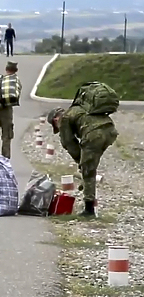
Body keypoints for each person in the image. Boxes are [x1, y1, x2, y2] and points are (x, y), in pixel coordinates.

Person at [47, 84, 119, 218]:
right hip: (110, 131)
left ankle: (89, 210)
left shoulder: (65, 118)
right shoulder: (81, 108)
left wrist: (80, 162)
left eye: (54, 125)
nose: (57, 126)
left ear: (56, 119)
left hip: (94, 135)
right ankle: (86, 188)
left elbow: (68, 143)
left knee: (88, 171)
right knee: (90, 166)